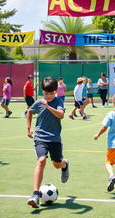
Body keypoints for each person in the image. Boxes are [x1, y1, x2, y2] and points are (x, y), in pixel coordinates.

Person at [27, 77, 69, 208]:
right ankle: (35, 194)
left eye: (51, 93)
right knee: (41, 161)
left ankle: (65, 165)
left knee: (57, 164)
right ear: (42, 92)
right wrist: (29, 128)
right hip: (40, 137)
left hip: (54, 139)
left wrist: (47, 106)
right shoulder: (38, 102)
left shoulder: (58, 101)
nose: (49, 96)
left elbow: (61, 115)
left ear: (56, 91)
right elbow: (29, 111)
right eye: (46, 93)